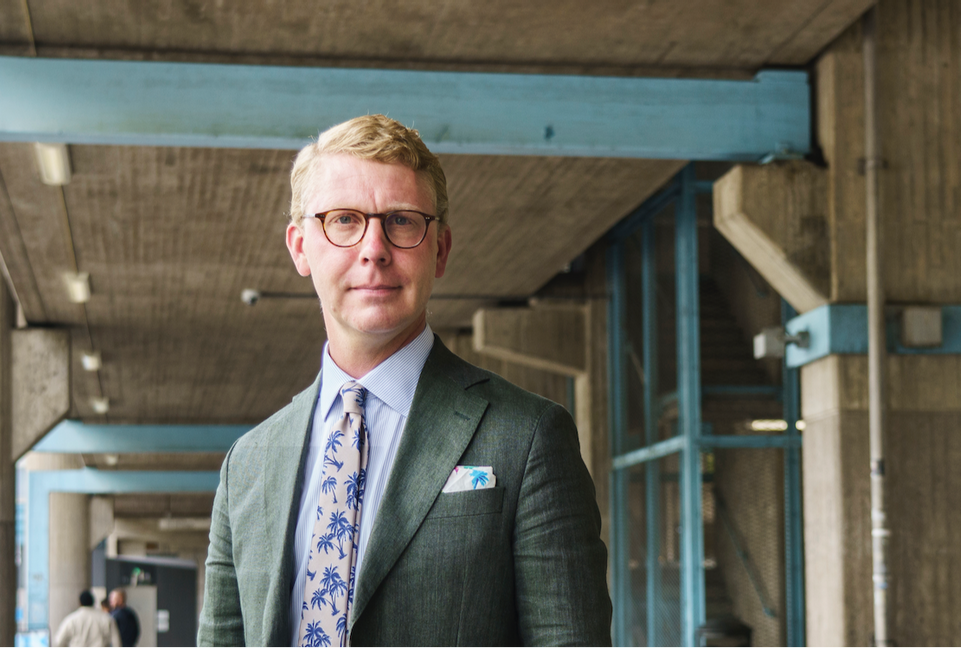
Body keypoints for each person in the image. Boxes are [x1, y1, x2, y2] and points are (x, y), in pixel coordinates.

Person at [198, 114, 611, 647]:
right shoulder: (247, 465)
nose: (374, 248)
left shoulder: (528, 438)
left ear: (439, 250)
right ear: (300, 247)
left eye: (401, 221)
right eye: (344, 220)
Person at [54, 591, 121, 648]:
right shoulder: (107, 618)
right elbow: (117, 643)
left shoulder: (71, 620)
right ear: (93, 602)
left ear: (80, 603)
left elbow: (58, 642)